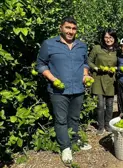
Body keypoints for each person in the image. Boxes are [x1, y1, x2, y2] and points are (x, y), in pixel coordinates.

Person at [36, 16, 92, 164]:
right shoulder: (49, 44)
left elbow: (85, 63)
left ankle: (74, 141)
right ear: (61, 28)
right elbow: (41, 64)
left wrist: (85, 75)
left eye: (73, 29)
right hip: (58, 91)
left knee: (74, 118)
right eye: (67, 28)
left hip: (78, 89)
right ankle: (65, 148)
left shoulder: (81, 46)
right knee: (61, 120)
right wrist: (52, 79)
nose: (70, 31)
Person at [88, 28, 118, 135]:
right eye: (106, 37)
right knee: (100, 105)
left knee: (110, 105)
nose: (108, 39)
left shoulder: (116, 50)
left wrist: (116, 69)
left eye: (110, 37)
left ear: (114, 38)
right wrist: (96, 68)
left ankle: (108, 125)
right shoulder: (97, 48)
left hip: (111, 80)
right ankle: (100, 126)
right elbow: (89, 61)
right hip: (98, 79)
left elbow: (120, 64)